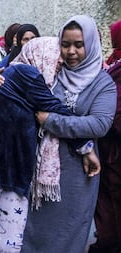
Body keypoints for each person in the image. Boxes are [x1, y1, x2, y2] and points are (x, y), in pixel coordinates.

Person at [0, 36, 100, 253]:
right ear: (43, 54)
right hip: (9, 171)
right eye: (58, 60)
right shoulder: (28, 74)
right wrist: (86, 147)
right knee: (5, 238)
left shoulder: (13, 72)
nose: (59, 66)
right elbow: (54, 107)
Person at [21, 15, 116, 253]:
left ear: (91, 44)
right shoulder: (50, 70)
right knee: (32, 234)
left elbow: (98, 125)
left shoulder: (102, 83)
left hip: (76, 177)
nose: (71, 51)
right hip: (39, 170)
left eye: (79, 44)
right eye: (65, 44)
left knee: (67, 234)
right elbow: (17, 85)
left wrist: (51, 120)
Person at [88, 19, 121, 253]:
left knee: (112, 200)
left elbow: (114, 110)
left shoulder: (113, 66)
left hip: (112, 148)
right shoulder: (111, 64)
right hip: (107, 145)